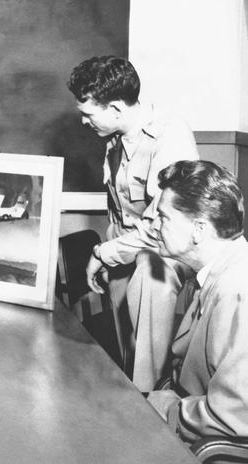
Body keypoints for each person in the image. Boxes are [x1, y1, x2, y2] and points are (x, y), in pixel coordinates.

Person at [67, 56, 198, 391]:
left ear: (113, 108)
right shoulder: (113, 139)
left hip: (164, 248)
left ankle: (149, 401)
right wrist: (110, 256)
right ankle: (132, 391)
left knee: (150, 276)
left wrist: (104, 252)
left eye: (87, 113)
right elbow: (120, 213)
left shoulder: (170, 135)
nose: (84, 122)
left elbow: (161, 225)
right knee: (129, 345)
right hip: (127, 246)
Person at [147, 160, 248, 443]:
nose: (154, 226)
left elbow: (235, 415)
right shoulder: (218, 270)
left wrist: (170, 409)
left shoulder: (237, 292)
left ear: (199, 230)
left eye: (163, 217)